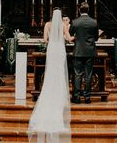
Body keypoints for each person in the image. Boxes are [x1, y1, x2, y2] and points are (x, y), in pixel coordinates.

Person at [28, 8, 74, 142]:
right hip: (60, 49)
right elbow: (69, 39)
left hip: (52, 49)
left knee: (50, 71)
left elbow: (45, 39)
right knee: (59, 71)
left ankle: (49, 91)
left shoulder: (48, 25)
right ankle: (59, 93)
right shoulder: (64, 25)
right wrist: (74, 37)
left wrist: (51, 42)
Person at [69, 2, 99, 104]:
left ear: (79, 10)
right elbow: (96, 38)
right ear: (88, 10)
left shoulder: (75, 22)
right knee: (88, 75)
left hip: (78, 51)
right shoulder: (94, 22)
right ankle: (87, 98)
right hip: (90, 51)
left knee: (77, 75)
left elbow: (70, 34)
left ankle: (76, 97)